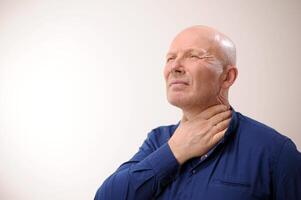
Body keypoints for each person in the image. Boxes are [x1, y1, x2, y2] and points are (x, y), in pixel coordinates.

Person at [94, 25, 301, 200]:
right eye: (170, 58)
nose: (175, 66)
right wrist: (175, 151)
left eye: (193, 55)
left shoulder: (276, 153)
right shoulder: (158, 140)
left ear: (227, 77)